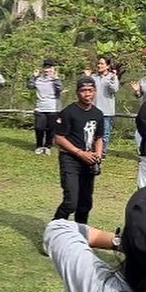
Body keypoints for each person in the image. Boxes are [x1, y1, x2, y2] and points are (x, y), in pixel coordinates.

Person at [53, 76, 105, 224]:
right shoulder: (68, 112)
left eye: (90, 90)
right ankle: (54, 228)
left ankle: (80, 233)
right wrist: (79, 153)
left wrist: (98, 155)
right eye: (83, 91)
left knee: (85, 204)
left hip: (89, 161)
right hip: (71, 159)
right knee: (71, 202)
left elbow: (99, 137)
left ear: (95, 91)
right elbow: (59, 138)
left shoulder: (98, 114)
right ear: (77, 92)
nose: (87, 94)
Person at [28, 59, 63, 154]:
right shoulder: (39, 79)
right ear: (43, 69)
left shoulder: (56, 80)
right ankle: (39, 145)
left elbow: (60, 88)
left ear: (53, 69)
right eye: (46, 68)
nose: (47, 70)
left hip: (53, 108)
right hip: (40, 107)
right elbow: (30, 86)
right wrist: (33, 77)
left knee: (51, 128)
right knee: (39, 128)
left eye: (49, 68)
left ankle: (48, 146)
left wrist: (55, 78)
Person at [87, 57, 120, 153]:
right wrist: (88, 78)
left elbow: (114, 90)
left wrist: (112, 79)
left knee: (105, 133)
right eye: (98, 63)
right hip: (93, 109)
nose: (99, 66)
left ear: (107, 66)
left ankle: (102, 151)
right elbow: (87, 89)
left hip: (106, 111)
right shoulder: (93, 77)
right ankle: (92, 149)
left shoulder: (112, 77)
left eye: (102, 64)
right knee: (91, 132)